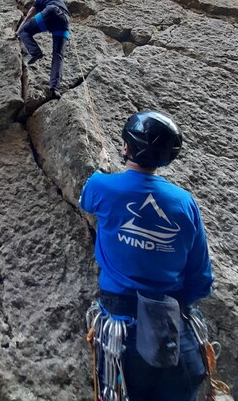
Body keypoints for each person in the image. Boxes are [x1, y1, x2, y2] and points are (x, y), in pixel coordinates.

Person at [79, 110, 214, 401]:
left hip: (121, 337)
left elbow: (87, 197)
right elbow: (201, 280)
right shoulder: (184, 203)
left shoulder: (101, 186)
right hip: (175, 338)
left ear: (126, 147)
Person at [17, 0, 70, 100]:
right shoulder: (56, 0)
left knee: (24, 31)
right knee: (58, 56)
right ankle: (55, 89)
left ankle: (35, 52)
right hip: (65, 21)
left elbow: (29, 16)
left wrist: (18, 32)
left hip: (51, 12)